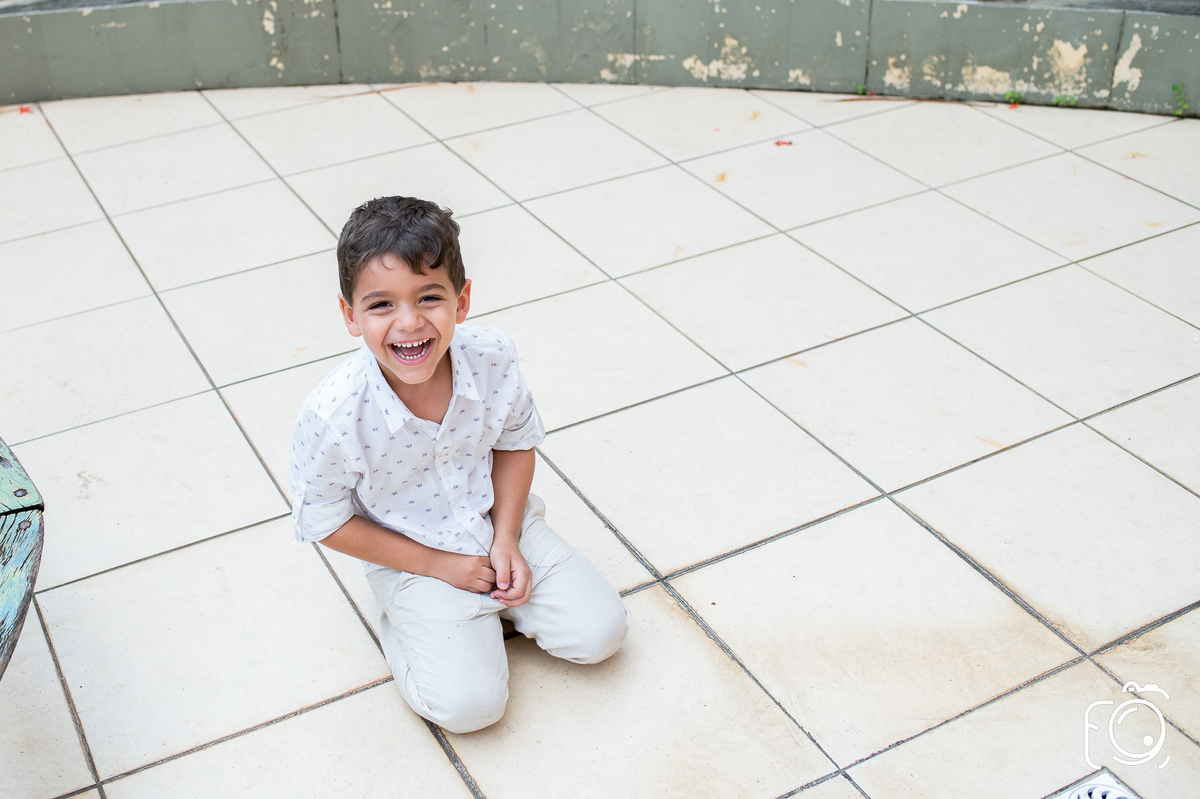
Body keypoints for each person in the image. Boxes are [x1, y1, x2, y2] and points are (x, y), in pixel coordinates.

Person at [289, 195, 629, 733]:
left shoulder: (493, 355)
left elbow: (516, 442)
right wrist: (439, 566)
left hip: (499, 524)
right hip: (413, 556)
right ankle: (407, 625)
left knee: (602, 634)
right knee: (470, 710)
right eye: (380, 305)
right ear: (350, 315)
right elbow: (323, 521)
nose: (408, 323)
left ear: (462, 300)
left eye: (429, 297)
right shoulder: (333, 415)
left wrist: (508, 537)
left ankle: (496, 611)